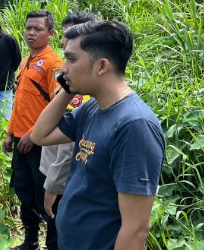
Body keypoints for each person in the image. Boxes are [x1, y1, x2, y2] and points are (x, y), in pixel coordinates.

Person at [29, 20, 166, 250]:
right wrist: (67, 87)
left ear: (102, 66)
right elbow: (40, 135)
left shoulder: (134, 126)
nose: (63, 68)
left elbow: (135, 230)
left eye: (72, 59)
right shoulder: (92, 108)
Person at [3, 10, 63, 250]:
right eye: (28, 28)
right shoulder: (25, 62)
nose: (31, 33)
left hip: (41, 144)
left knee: (45, 196)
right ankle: (30, 241)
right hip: (20, 141)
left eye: (38, 29)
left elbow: (59, 106)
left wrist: (33, 134)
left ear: (51, 34)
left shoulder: (54, 63)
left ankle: (53, 245)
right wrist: (10, 132)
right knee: (24, 192)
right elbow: (19, 102)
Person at [37, 11, 98, 227]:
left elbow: (69, 145)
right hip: (58, 171)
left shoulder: (80, 86)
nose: (64, 41)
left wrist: (53, 186)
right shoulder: (74, 76)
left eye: (69, 36)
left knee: (56, 235)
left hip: (64, 178)